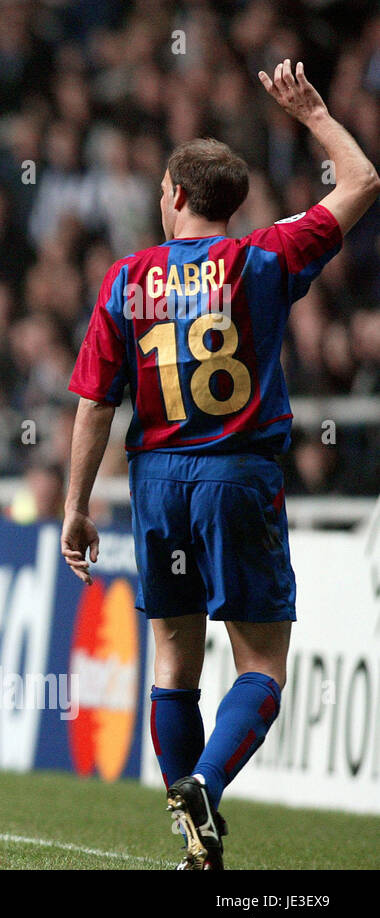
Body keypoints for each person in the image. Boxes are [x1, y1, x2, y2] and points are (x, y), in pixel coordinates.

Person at [60, 61, 379, 869]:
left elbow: (95, 403)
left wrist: (76, 506)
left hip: (158, 484)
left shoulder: (128, 279)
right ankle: (204, 784)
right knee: (263, 662)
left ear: (171, 193)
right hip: (239, 476)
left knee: (174, 654)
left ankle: (192, 835)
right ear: (231, 204)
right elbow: (365, 180)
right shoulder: (264, 259)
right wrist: (311, 114)